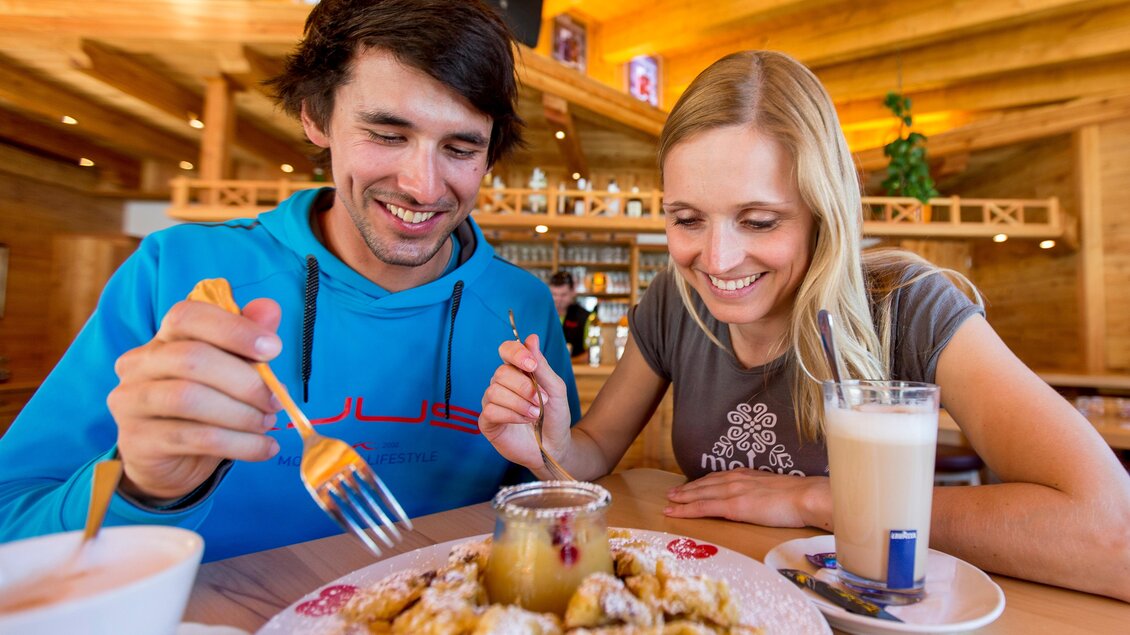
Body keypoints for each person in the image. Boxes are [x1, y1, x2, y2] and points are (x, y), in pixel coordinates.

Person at [480, 50, 1130, 601]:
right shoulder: (673, 302)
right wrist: (550, 442)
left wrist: (816, 499)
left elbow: (1111, 530)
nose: (718, 259)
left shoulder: (909, 305)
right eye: (686, 218)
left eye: (759, 221)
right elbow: (592, 454)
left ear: (824, 213)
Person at [0, 0, 580, 562]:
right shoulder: (178, 271)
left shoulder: (520, 305)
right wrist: (144, 489)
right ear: (316, 116)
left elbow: (556, 513)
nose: (424, 187)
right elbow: (12, 523)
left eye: (459, 148)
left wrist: (551, 471)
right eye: (386, 134)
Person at [548, 270, 591, 358]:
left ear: (573, 292)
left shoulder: (586, 317)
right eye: (554, 294)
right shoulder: (541, 315)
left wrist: (568, 364)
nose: (558, 299)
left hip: (576, 370)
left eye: (563, 295)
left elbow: (590, 354)